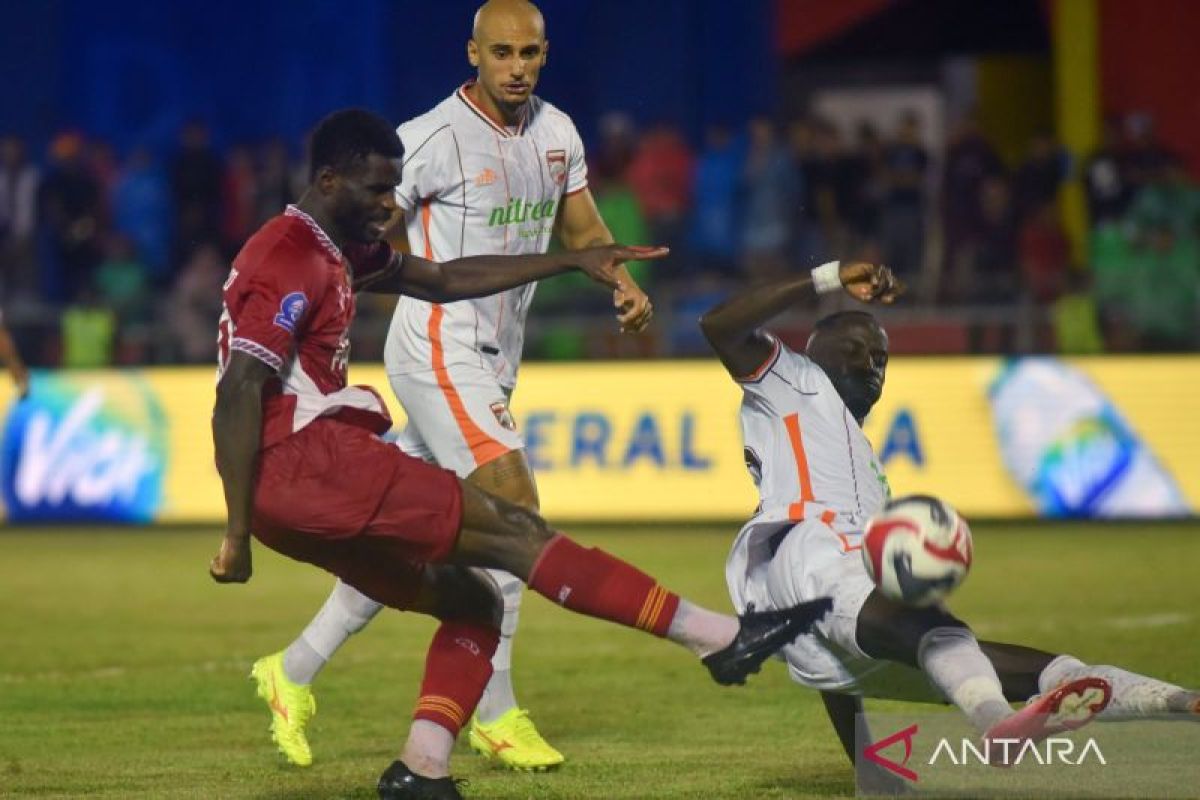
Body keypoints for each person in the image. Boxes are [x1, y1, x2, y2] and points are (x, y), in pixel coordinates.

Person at [209, 107, 830, 800]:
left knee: (475, 602)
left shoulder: (336, 246)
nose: (391, 206)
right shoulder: (288, 254)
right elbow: (239, 386)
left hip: (296, 487)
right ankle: (715, 637)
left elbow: (443, 280)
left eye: (395, 190)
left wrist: (569, 260)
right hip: (308, 460)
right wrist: (235, 534)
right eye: (378, 192)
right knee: (516, 531)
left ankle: (421, 768)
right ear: (328, 180)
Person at [251, 0, 656, 773]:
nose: (517, 67)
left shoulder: (558, 133)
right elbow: (362, 225)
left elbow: (584, 232)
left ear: (545, 53)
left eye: (530, 53)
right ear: (472, 52)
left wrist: (621, 282)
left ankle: (292, 668)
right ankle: (495, 713)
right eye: (501, 52)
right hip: (438, 344)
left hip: (497, 355)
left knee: (411, 534)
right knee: (512, 513)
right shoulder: (432, 138)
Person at [698, 260, 1199, 785]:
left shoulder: (860, 466)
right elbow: (719, 324)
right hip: (810, 544)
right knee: (937, 633)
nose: (872, 363)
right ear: (814, 352)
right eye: (855, 347)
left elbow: (841, 667)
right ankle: (995, 724)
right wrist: (830, 277)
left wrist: (871, 772)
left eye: (881, 359)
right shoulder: (794, 381)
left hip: (796, 605)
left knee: (993, 662)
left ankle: (1175, 700)